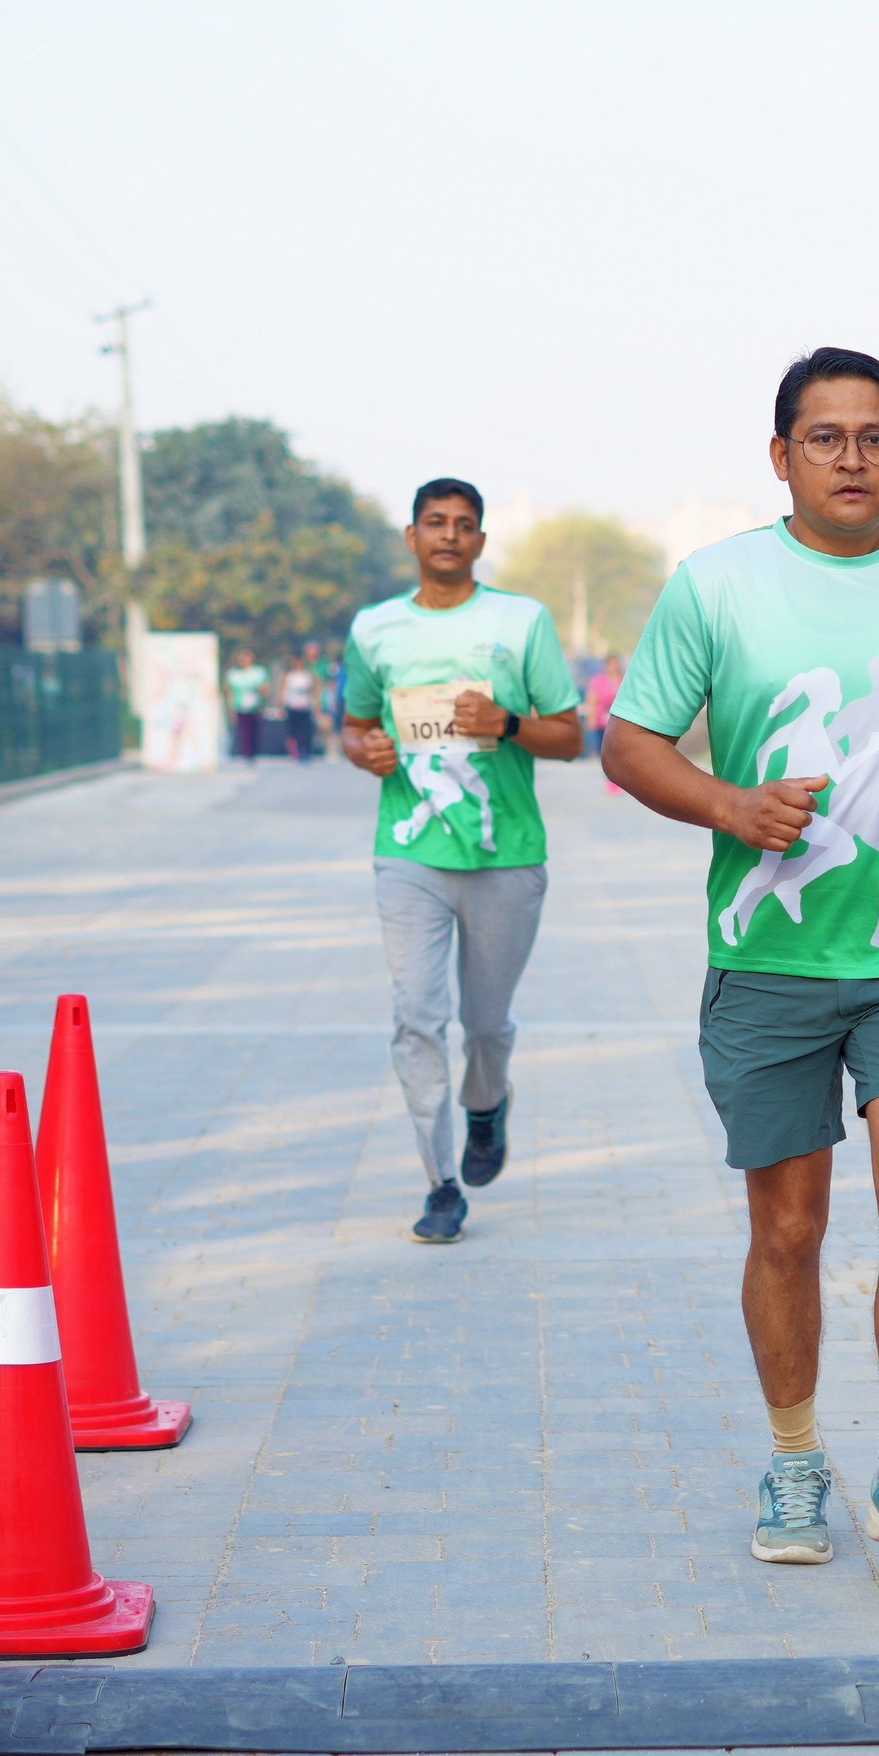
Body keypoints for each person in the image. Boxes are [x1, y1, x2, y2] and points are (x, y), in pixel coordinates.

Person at [604, 347, 879, 1571]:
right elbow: (631, 743)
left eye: (874, 438)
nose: (851, 458)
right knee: (790, 1228)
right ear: (781, 456)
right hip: (768, 957)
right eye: (825, 437)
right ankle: (795, 1460)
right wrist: (729, 805)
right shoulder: (717, 586)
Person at [339, 481, 586, 1244]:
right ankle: (440, 1182)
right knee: (417, 1016)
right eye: (435, 523)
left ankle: (486, 1105)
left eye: (465, 525)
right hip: (409, 852)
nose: (449, 535)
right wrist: (367, 752)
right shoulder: (375, 629)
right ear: (411, 536)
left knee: (484, 1025)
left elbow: (571, 736)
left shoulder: (521, 621)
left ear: (481, 541)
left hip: (506, 855)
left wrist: (507, 722)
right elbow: (354, 727)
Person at [279, 660, 321, 762]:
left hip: (305, 705)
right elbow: (284, 690)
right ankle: (295, 751)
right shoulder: (290, 676)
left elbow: (315, 689)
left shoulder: (308, 675)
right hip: (293, 705)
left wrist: (317, 704)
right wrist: (282, 704)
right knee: (293, 730)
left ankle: (306, 750)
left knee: (306, 730)